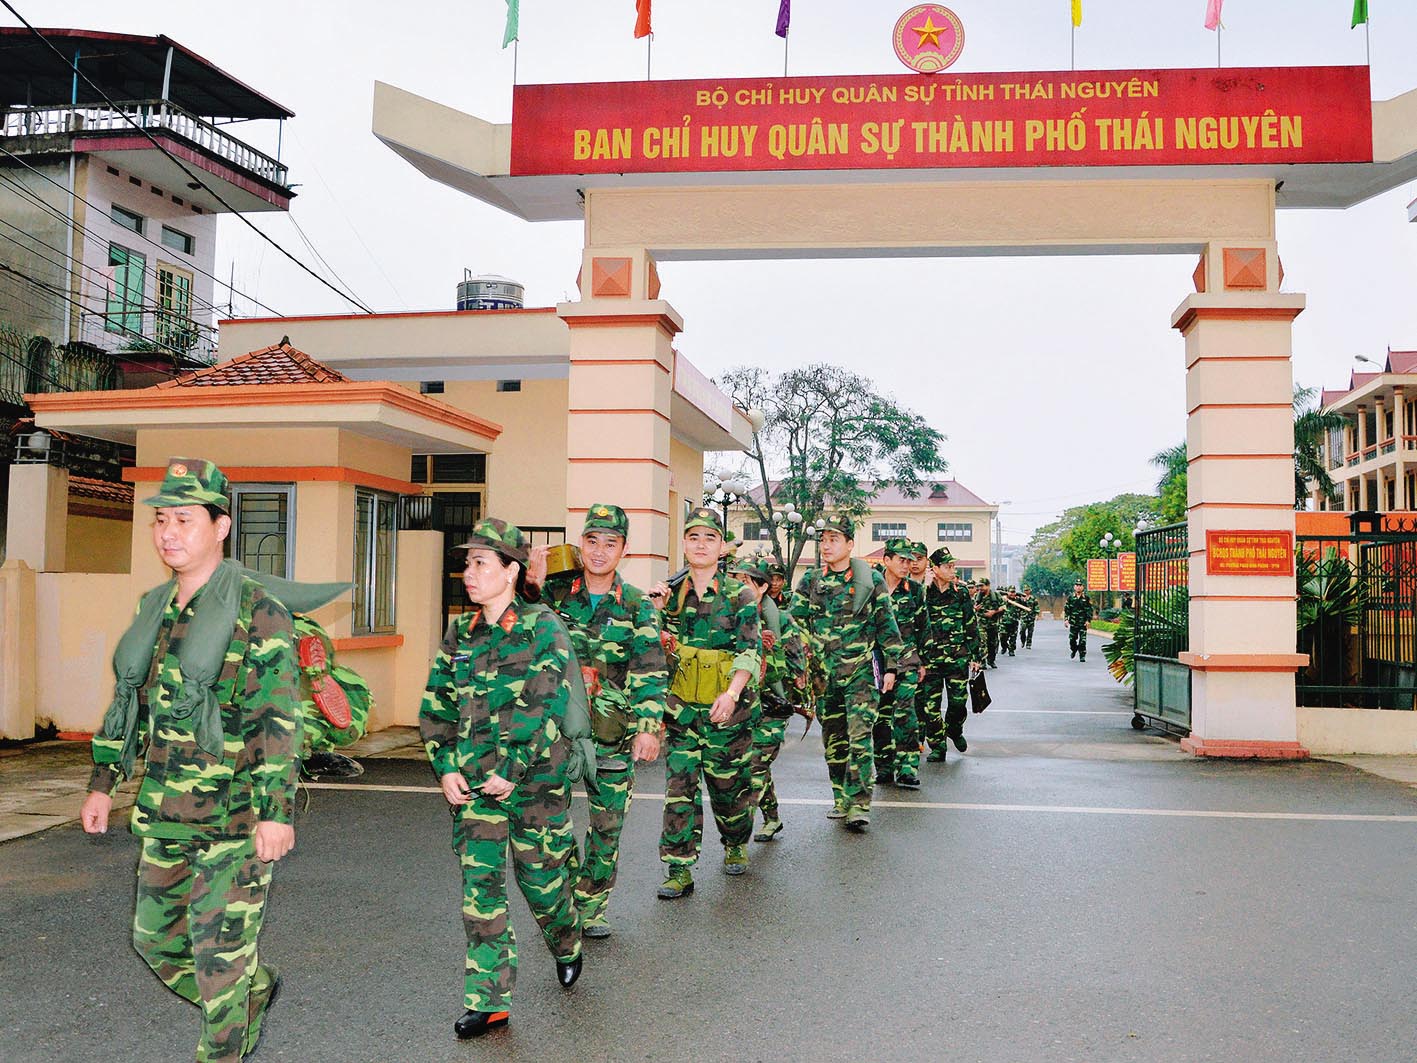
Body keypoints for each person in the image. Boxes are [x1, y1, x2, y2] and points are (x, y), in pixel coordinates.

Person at [80, 458, 299, 1063]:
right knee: (155, 942)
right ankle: (252, 989)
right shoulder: (156, 606)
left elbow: (276, 717)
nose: (168, 533)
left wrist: (276, 812)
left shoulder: (258, 610)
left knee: (218, 959)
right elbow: (130, 703)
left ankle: (225, 1034)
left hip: (235, 817)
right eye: (161, 520)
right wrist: (103, 782)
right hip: (164, 810)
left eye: (184, 519)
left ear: (221, 526)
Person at [419, 518, 583, 1040]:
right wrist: (445, 765)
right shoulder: (460, 633)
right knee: (481, 893)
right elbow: (437, 705)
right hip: (474, 788)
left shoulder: (543, 627)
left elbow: (545, 703)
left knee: (542, 884)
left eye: (480, 563)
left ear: (511, 570)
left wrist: (512, 771)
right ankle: (489, 1002)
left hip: (534, 786)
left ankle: (566, 939)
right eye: (467, 563)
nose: (468, 573)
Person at [525, 504, 666, 940]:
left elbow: (649, 670)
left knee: (607, 829)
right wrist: (530, 584)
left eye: (610, 543)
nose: (599, 551)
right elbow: (519, 632)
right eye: (592, 541)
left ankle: (591, 907)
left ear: (624, 550)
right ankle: (568, 892)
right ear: (581, 544)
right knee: (551, 824)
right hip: (557, 734)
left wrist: (648, 728)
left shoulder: (638, 605)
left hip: (612, 734)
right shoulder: (553, 595)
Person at [651, 507, 761, 898]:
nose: (701, 545)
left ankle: (735, 840)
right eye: (694, 537)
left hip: (726, 712)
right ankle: (679, 867)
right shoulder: (670, 595)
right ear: (684, 544)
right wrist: (655, 613)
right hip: (682, 712)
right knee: (679, 791)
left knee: (728, 790)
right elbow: (652, 651)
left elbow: (750, 651)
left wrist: (732, 694)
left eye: (709, 538)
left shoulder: (739, 594)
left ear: (721, 547)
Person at [794, 516, 905, 831]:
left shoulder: (870, 581)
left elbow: (886, 625)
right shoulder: (810, 581)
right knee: (834, 740)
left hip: (860, 672)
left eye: (834, 539)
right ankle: (841, 797)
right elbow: (796, 625)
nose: (826, 545)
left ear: (850, 544)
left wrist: (891, 667)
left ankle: (859, 804)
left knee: (860, 738)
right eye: (823, 539)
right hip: (824, 676)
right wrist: (799, 666)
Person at [728, 554, 808, 842]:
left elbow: (797, 667)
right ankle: (772, 818)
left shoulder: (781, 620)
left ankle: (736, 839)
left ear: (762, 587)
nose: (739, 586)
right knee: (752, 765)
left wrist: (768, 651)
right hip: (740, 705)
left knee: (755, 767)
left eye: (746, 581)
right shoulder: (729, 617)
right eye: (736, 580)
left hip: (772, 706)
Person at [919, 547, 984, 763]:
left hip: (957, 658)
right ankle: (938, 746)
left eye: (953, 566)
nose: (952, 570)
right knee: (931, 708)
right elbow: (913, 615)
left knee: (958, 703)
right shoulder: (923, 592)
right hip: (930, 660)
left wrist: (976, 656)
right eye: (948, 566)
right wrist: (924, 586)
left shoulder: (961, 593)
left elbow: (970, 624)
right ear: (935, 569)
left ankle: (954, 730)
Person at [873, 538, 925, 789]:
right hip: (878, 661)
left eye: (909, 561)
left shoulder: (914, 590)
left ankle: (907, 767)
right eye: (901, 560)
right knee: (881, 717)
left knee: (905, 714)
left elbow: (923, 626)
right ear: (887, 560)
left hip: (907, 660)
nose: (907, 565)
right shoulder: (872, 587)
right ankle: (884, 767)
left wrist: (923, 662)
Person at [974, 577, 1005, 668]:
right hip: (981, 623)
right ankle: (982, 661)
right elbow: (972, 607)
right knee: (982, 642)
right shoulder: (977, 596)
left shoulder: (996, 595)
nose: (980, 588)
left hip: (993, 624)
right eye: (979, 586)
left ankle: (991, 660)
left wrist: (994, 612)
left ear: (988, 586)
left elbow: (1003, 607)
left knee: (992, 643)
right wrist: (975, 609)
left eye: (982, 586)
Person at [1065, 581, 1096, 662]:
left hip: (1083, 623)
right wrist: (1066, 620)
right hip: (1073, 623)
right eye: (1077, 585)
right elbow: (1067, 609)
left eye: (1080, 585)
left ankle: (1082, 655)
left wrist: (1088, 620)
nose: (1078, 587)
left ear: (1083, 587)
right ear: (1074, 587)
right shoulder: (1070, 597)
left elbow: (1089, 610)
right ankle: (1074, 649)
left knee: (1083, 641)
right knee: (1072, 640)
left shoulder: (1086, 598)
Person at [1000, 587, 1021, 657]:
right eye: (1011, 592)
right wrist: (1004, 598)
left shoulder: (1018, 600)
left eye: (1013, 592)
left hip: (1014, 622)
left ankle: (1011, 650)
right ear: (1007, 592)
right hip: (1004, 622)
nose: (1012, 594)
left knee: (1013, 637)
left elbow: (1025, 603)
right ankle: (1004, 647)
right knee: (1002, 636)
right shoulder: (1003, 599)